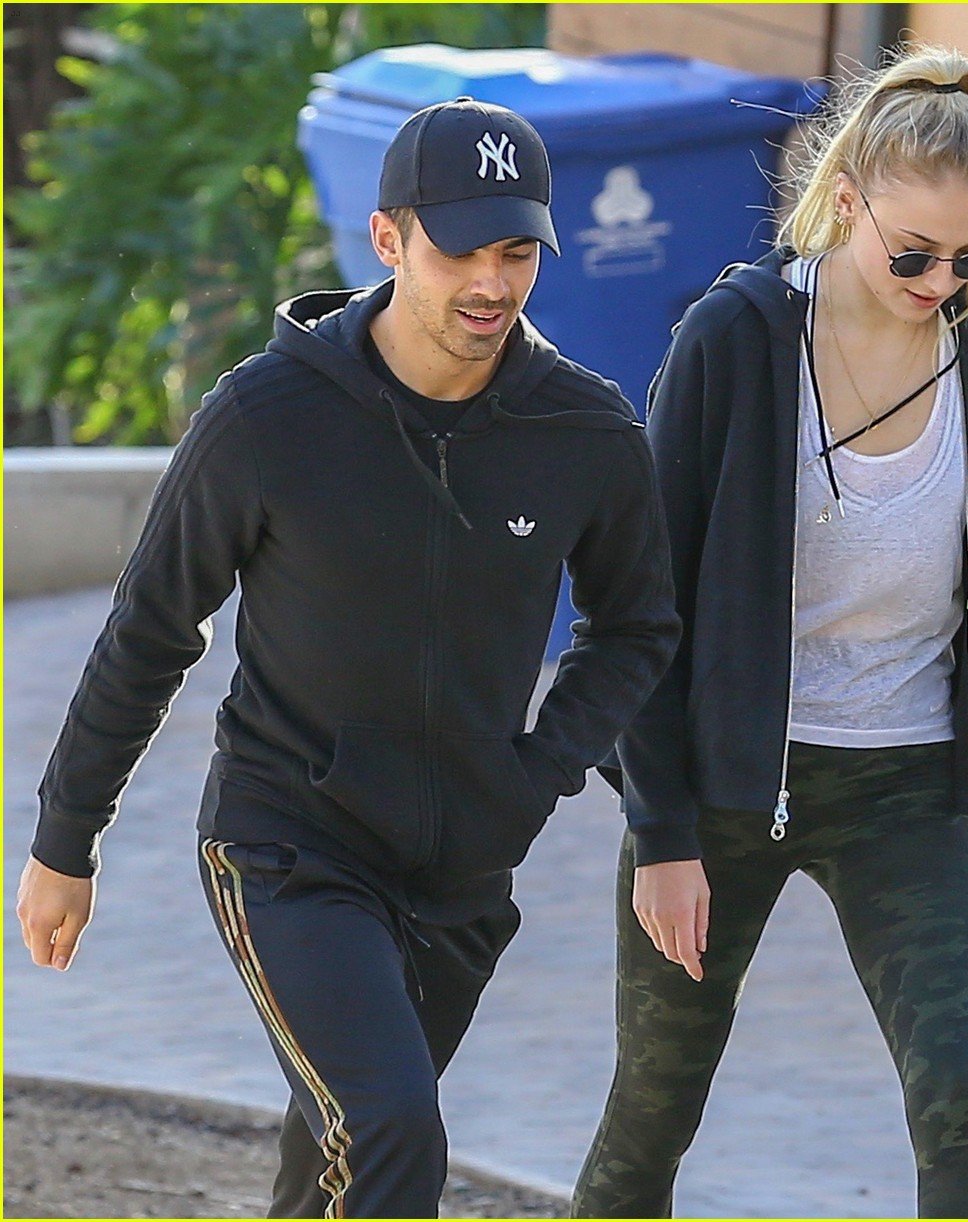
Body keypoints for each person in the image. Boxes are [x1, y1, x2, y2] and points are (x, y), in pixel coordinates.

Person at [17, 97, 680, 1219]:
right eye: (458, 248)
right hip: (290, 843)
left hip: (462, 868)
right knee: (390, 1129)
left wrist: (531, 774)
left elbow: (637, 628)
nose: (490, 281)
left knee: (338, 1153)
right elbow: (151, 628)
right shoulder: (267, 415)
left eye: (515, 251)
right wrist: (64, 839)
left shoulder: (585, 433)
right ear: (387, 239)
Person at [572, 46, 968, 1220]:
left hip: (900, 790)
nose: (942, 280)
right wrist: (662, 830)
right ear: (847, 200)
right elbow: (638, 599)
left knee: (957, 1109)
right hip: (721, 794)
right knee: (650, 1116)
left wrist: (959, 768)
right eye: (913, 253)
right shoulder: (733, 339)